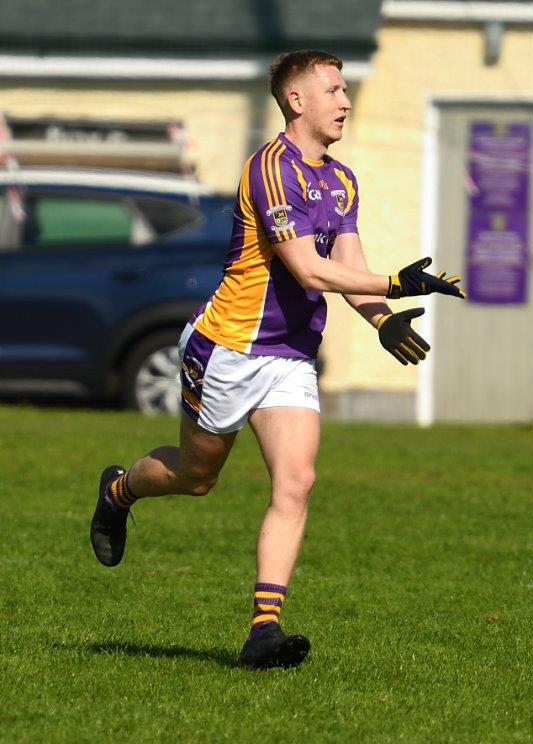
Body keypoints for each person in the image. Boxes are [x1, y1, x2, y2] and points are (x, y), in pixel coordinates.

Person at [89, 50, 465, 669]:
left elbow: (348, 269)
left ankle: (264, 629)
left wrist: (381, 316)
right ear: (298, 101)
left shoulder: (341, 180)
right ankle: (120, 491)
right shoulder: (270, 169)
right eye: (335, 90)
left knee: (297, 480)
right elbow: (305, 267)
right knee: (197, 476)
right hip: (229, 348)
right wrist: (397, 284)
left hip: (290, 355)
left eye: (346, 91)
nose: (345, 101)